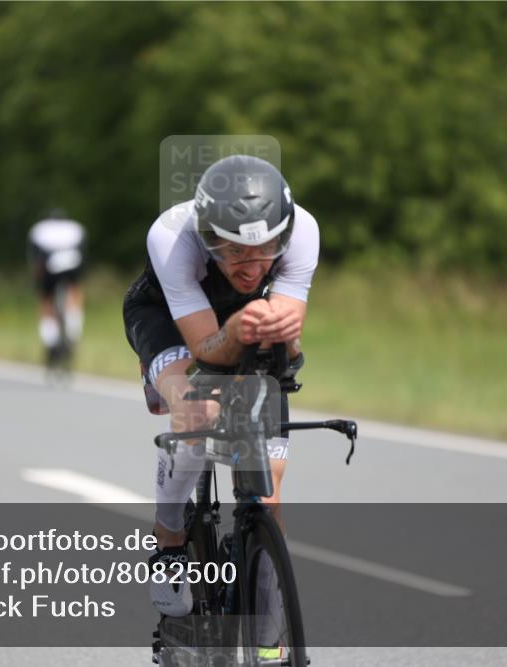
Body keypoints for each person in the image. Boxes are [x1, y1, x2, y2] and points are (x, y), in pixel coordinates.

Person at [122, 155, 319, 623]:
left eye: (268, 247)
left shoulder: (304, 230)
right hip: (169, 320)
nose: (253, 267)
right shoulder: (171, 237)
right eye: (235, 252)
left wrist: (285, 340)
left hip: (246, 323)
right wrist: (238, 334)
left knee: (269, 493)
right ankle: (168, 536)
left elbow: (287, 358)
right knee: (195, 409)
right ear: (210, 240)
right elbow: (208, 350)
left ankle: (270, 635)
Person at [27, 209, 86, 365]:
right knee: (74, 291)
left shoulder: (40, 229)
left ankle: (50, 338)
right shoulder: (75, 228)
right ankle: (74, 327)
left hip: (50, 265)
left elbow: (35, 259)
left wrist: (37, 280)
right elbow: (83, 253)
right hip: (73, 262)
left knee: (46, 300)